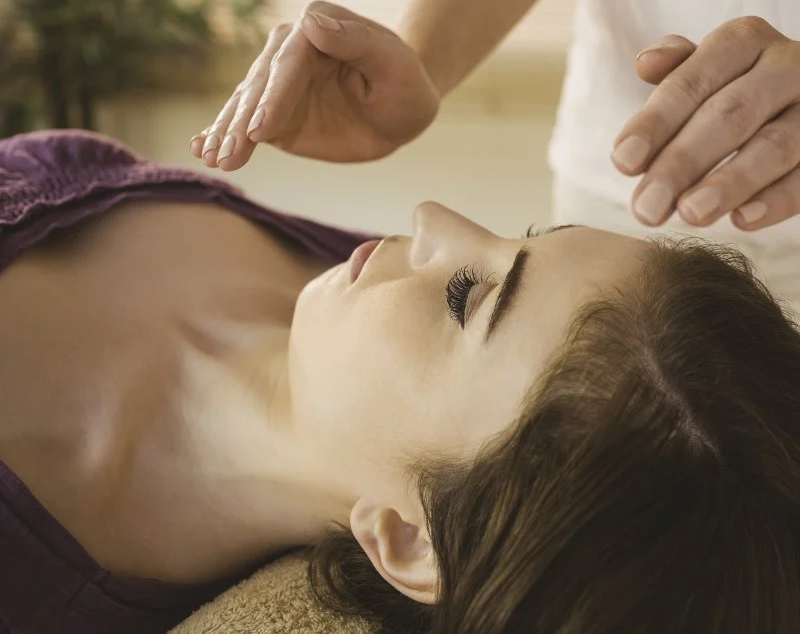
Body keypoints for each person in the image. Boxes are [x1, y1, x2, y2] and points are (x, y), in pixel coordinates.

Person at [1, 130, 800, 634]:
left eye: (465, 297)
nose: (430, 217)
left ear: (412, 541)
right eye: (523, 235)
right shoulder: (342, 308)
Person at [189, 0, 800, 312]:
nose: (428, 219)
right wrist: (423, 61)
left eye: (472, 302)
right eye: (473, 299)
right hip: (620, 191)